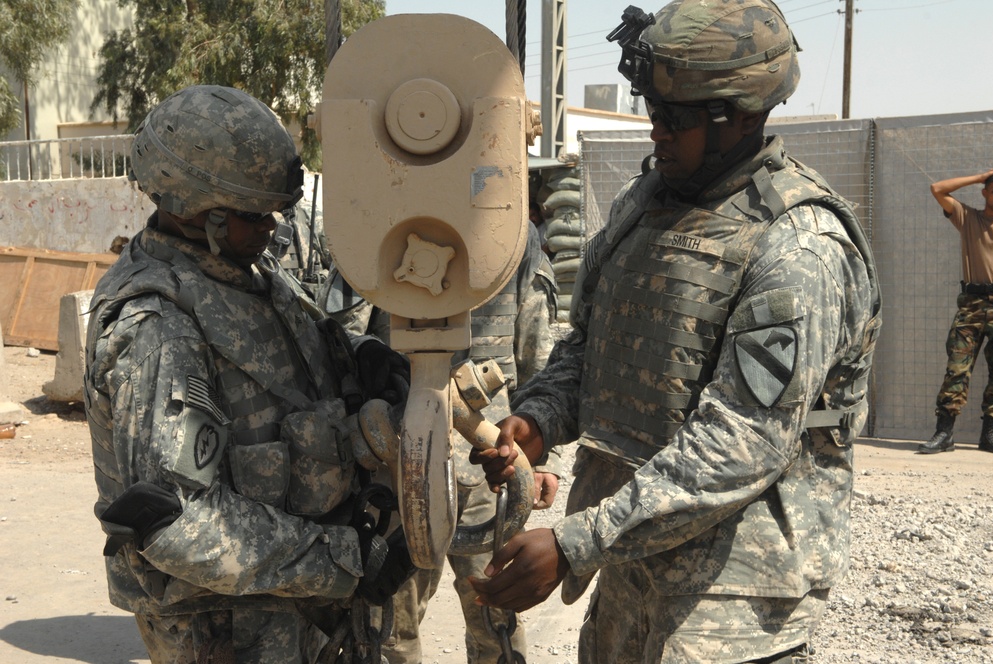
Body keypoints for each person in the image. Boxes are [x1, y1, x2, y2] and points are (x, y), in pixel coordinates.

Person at [468, 2, 882, 662]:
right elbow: (592, 342)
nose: (654, 128)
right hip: (632, 578)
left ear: (742, 115)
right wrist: (540, 418)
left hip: (731, 611)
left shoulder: (799, 247)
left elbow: (742, 441)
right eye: (652, 107)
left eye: (676, 117)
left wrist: (576, 542)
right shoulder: (648, 205)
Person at [83, 85, 413, 663]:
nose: (271, 228)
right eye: (253, 215)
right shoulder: (157, 326)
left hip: (296, 612)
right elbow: (178, 523)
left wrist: (360, 357)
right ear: (198, 211)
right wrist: (343, 561)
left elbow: (298, 349)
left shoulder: (246, 273)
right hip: (228, 632)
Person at [317, 226, 561, 663]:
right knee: (390, 623)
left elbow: (536, 354)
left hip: (492, 463)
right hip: (400, 466)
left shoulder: (515, 234)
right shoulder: (382, 225)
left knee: (496, 617)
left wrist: (543, 456)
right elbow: (338, 340)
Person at [919, 169, 993, 455]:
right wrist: (980, 176)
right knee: (957, 368)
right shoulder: (969, 219)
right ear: (985, 193)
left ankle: (990, 434)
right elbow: (937, 188)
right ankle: (944, 433)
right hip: (972, 305)